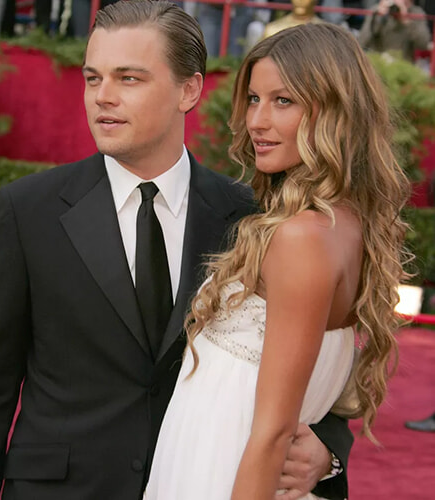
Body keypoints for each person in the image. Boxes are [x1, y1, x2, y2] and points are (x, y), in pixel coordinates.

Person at [0, 2, 351, 499]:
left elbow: (313, 366)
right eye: (93, 79)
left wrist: (327, 455)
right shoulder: (29, 211)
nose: (103, 97)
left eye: (129, 78)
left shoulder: (251, 216)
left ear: (189, 90)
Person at [145, 22, 410, 499]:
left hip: (229, 474)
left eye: (283, 101)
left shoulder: (301, 237)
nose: (257, 121)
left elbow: (272, 433)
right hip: (213, 462)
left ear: (335, 112)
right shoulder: (340, 223)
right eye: (253, 99)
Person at [358, 0, 431, 63]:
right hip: (379, 64)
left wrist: (407, 21)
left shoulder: (416, 12)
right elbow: (362, 42)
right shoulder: (377, 10)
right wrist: (378, 18)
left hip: (402, 66)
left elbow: (423, 44)